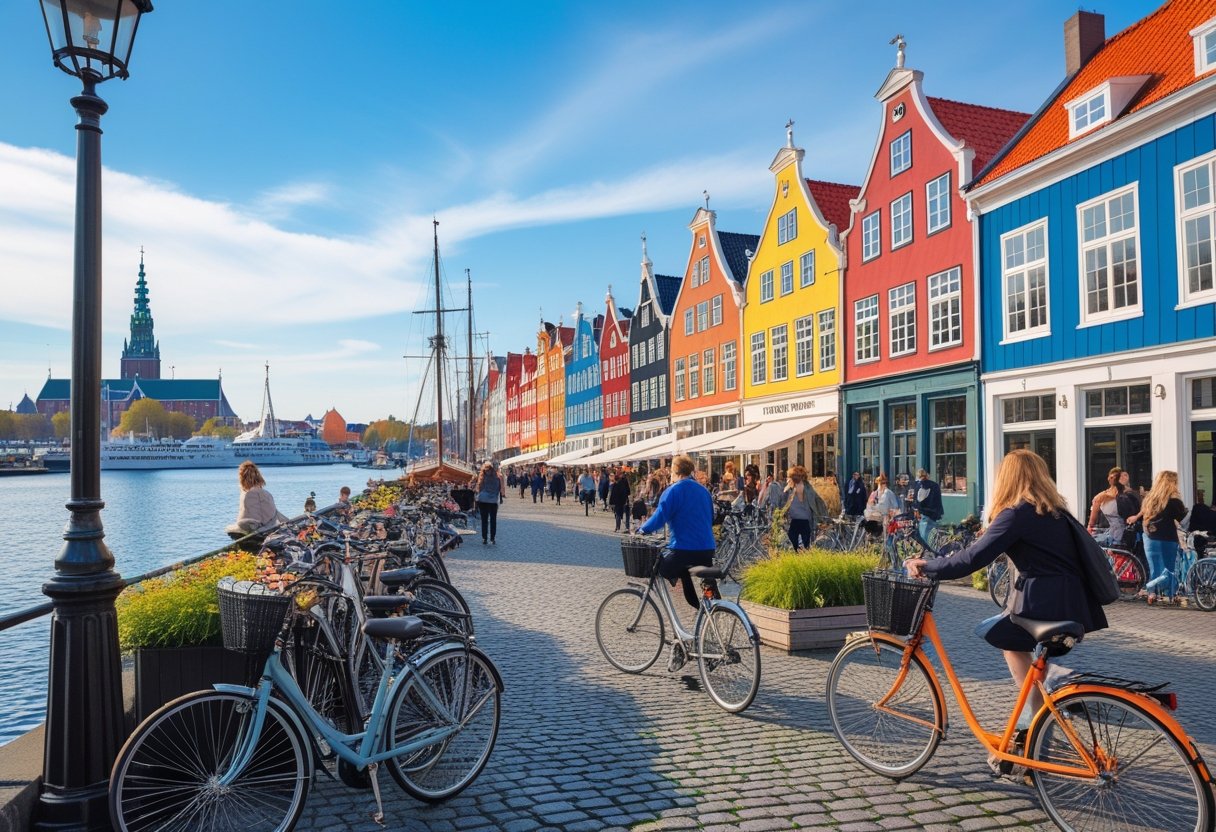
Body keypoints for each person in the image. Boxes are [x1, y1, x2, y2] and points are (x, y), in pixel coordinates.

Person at [906, 449, 1108, 772]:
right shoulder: (1055, 512)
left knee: (1005, 638)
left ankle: (1037, 722)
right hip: (1072, 604)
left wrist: (927, 565)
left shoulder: (1017, 514)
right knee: (1020, 656)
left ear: (1008, 478)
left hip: (1041, 604)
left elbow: (972, 559)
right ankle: (1033, 737)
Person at [638, 454, 718, 616]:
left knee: (664, 567)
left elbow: (660, 517)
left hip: (683, 549)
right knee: (691, 574)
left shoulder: (673, 491)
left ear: (675, 472)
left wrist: (643, 529)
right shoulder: (704, 491)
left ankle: (694, 610)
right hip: (707, 549)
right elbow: (711, 517)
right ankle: (708, 610)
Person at [1129, 471, 1187, 604]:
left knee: (1154, 567)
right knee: (1169, 568)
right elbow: (1183, 520)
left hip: (1150, 538)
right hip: (1168, 537)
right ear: (1172, 483)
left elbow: (1145, 516)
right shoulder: (1174, 501)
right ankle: (1171, 595)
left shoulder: (1149, 499)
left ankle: (1152, 593)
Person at [228, 460, 287, 534]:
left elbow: (244, 516)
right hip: (266, 526)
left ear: (241, 477)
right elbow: (271, 515)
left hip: (249, 526)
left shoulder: (245, 494)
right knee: (278, 515)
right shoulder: (266, 493)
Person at [782, 465, 827, 550]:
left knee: (804, 543)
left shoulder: (808, 488)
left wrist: (823, 516)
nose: (794, 478)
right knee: (794, 541)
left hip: (805, 519)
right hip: (795, 519)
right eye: (793, 476)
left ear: (802, 477)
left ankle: (804, 557)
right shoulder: (790, 488)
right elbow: (783, 502)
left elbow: (818, 501)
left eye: (796, 476)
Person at [1086, 467, 1127, 547]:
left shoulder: (1125, 494)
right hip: (1109, 531)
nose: (1110, 479)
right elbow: (1093, 519)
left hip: (1120, 533)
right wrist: (1090, 527)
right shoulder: (1103, 495)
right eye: (1110, 477)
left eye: (1113, 477)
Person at [863, 473, 901, 538]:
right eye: (880, 484)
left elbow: (884, 507)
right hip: (878, 517)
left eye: (883, 483)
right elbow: (869, 506)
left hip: (888, 516)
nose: (881, 485)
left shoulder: (887, 493)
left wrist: (873, 507)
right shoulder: (875, 493)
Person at [475, 461, 504, 545]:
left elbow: (479, 488)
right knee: (493, 520)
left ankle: (484, 538)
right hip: (493, 501)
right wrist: (500, 498)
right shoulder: (497, 477)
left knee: (484, 520)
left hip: (483, 500)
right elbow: (499, 489)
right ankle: (492, 538)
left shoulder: (482, 476)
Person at [912, 469, 944, 545]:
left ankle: (930, 553)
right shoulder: (935, 485)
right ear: (927, 475)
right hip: (935, 513)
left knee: (925, 537)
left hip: (925, 513)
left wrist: (916, 509)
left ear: (918, 476)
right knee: (933, 535)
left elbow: (917, 501)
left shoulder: (919, 486)